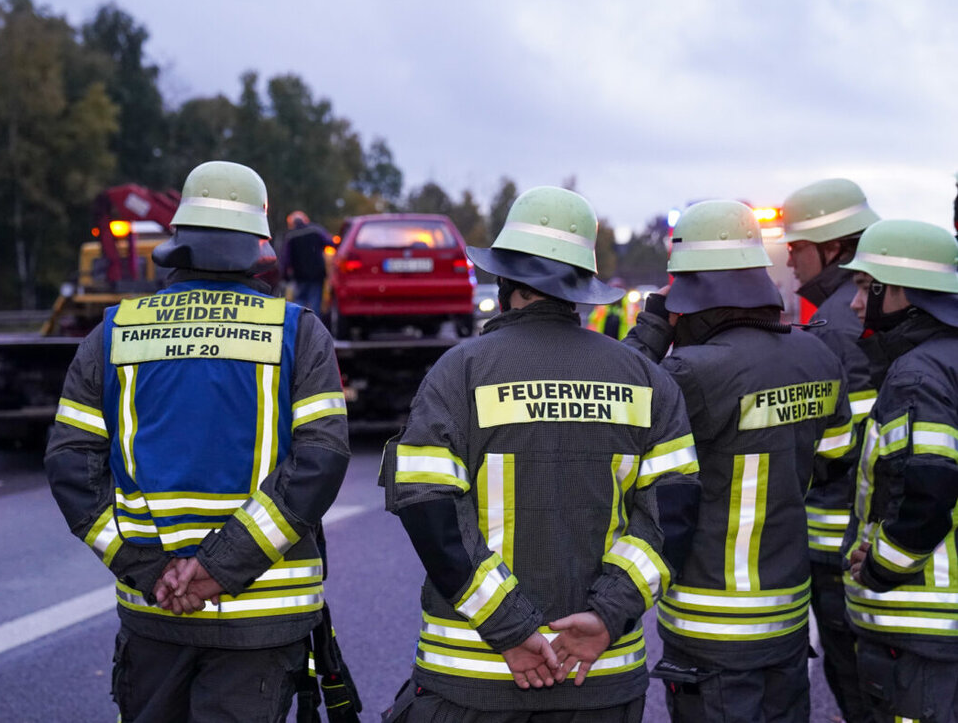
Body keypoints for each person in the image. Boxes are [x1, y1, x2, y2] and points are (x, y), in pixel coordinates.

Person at [44, 161, 352, 723]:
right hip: (263, 613)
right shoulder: (298, 332)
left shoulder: (113, 332)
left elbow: (70, 465)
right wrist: (222, 566)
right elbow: (321, 460)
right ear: (260, 243)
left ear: (177, 238)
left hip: (156, 608)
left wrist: (149, 570)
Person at [380, 186, 702, 722]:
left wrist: (510, 626)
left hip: (474, 674)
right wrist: (606, 614)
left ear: (504, 280)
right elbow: (671, 518)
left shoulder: (459, 371)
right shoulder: (646, 380)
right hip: (598, 675)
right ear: (579, 288)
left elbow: (427, 505)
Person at [623, 200, 855, 723]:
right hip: (788, 614)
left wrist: (653, 328)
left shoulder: (691, 371)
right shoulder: (818, 357)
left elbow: (609, 424)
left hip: (710, 626)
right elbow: (835, 461)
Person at [839, 219, 958, 722]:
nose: (854, 303)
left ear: (900, 291)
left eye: (866, 286)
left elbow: (929, 492)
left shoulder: (917, 375)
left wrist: (881, 564)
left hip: (921, 625)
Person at [781, 177, 880, 722]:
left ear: (834, 247)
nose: (790, 260)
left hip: (839, 538)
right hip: (862, 534)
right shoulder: (858, 309)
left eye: (797, 247)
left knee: (858, 686)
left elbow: (837, 446)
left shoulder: (836, 325)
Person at [280, 210, 335, 317]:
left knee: (299, 301)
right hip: (317, 274)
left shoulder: (291, 236)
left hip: (300, 275)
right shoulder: (315, 230)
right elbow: (330, 242)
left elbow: (285, 259)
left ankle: (298, 325)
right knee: (315, 303)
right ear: (305, 220)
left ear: (291, 223)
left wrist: (285, 275)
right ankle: (314, 328)